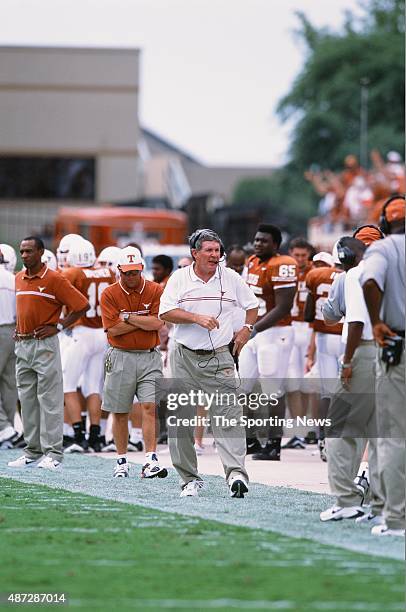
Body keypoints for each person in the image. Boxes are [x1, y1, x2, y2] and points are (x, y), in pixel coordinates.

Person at [159, 229, 258, 498]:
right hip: (183, 356)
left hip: (220, 355)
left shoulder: (231, 277)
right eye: (209, 251)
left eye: (217, 250)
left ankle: (236, 474)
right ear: (195, 253)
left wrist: (246, 329)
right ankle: (189, 479)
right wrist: (196, 318)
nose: (215, 255)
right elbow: (165, 311)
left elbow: (252, 305)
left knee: (229, 415)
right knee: (181, 419)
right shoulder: (179, 278)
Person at [8, 237, 89, 470]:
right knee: (27, 400)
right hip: (22, 344)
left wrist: (60, 325)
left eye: (29, 251)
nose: (24, 255)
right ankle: (32, 451)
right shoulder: (18, 278)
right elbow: (26, 310)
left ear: (41, 252)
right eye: (22, 251)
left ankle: (54, 453)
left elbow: (82, 305)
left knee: (50, 399)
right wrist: (19, 328)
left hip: (45, 345)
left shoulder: (54, 278)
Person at [320, 231, 384, 523]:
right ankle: (384, 508)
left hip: (362, 351)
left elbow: (347, 319)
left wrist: (347, 362)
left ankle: (346, 500)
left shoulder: (354, 275)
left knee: (339, 429)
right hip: (391, 354)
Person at [100, 246, 167, 479]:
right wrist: (143, 320)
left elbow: (158, 323)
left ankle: (151, 459)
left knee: (150, 406)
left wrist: (128, 316)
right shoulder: (109, 293)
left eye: (135, 272)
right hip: (121, 355)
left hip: (149, 354)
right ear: (119, 271)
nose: (131, 277)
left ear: (141, 269)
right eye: (127, 272)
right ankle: (121, 459)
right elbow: (114, 329)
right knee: (120, 411)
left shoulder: (155, 289)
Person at [361, 195, 405, 537]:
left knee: (393, 437)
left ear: (384, 223)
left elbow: (370, 282)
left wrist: (376, 321)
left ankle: (396, 519)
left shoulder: (384, 248)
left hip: (397, 345)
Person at [238, 224, 297, 461]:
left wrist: (253, 328)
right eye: (256, 239)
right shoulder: (252, 260)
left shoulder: (283, 264)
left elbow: (284, 307)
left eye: (264, 241)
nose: (258, 244)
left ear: (276, 244)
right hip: (253, 332)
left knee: (273, 390)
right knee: (242, 387)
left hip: (275, 332)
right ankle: (250, 439)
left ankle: (274, 444)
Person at [62, 239, 115, 452]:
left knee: (68, 384)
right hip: (101, 333)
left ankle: (77, 435)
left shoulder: (72, 273)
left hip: (81, 332)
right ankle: (95, 436)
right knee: (94, 386)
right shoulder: (107, 273)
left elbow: (64, 302)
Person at [305, 249, 345, 461]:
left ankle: (323, 439)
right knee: (348, 390)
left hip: (323, 337)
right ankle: (341, 441)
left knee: (327, 392)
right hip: (348, 336)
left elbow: (309, 315)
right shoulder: (354, 275)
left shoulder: (315, 275)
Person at [284, 237, 314, 449]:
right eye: (297, 255)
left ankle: (308, 428)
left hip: (310, 328)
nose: (301, 259)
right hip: (291, 327)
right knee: (292, 380)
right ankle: (298, 430)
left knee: (309, 381)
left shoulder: (316, 271)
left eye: (304, 255)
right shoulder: (285, 270)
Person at [0, 248, 18, 447]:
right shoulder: (13, 279)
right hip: (13, 331)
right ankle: (8, 429)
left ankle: (4, 428)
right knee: (9, 383)